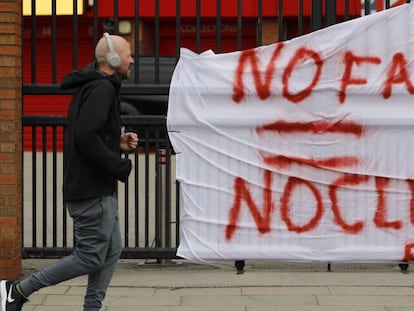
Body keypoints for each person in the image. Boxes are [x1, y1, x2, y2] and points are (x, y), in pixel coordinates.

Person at [0, 33, 137, 311]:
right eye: (128, 54)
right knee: (90, 256)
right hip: (92, 192)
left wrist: (115, 143)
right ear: (112, 59)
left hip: (96, 189)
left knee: (110, 250)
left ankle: (91, 307)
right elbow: (86, 137)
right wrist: (118, 165)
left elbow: (88, 133)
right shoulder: (102, 89)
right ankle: (17, 290)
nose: (132, 59)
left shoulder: (93, 86)